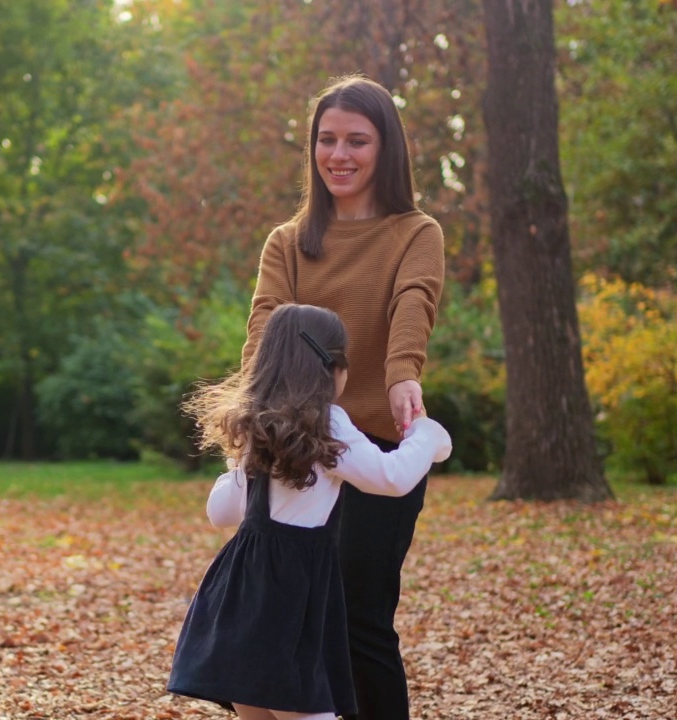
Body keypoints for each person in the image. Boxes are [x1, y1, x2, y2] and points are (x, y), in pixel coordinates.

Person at [239, 75, 446, 720]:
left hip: (378, 443)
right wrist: (249, 420)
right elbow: (265, 326)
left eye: (357, 140)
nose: (340, 154)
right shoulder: (288, 241)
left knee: (359, 614)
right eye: (327, 139)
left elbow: (414, 301)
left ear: (386, 149)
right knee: (282, 614)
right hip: (296, 447)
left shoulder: (416, 231)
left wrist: (402, 373)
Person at [167, 303, 451, 720]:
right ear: (331, 368)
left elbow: (221, 512)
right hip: (294, 596)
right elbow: (391, 478)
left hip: (242, 592)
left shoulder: (256, 425)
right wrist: (428, 436)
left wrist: (237, 466)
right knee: (306, 709)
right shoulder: (329, 424)